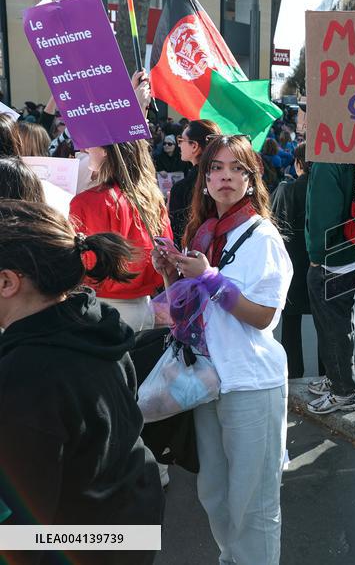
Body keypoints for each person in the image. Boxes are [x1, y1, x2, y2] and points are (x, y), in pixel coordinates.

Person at [152, 135, 291, 564]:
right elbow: (188, 313)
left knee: (254, 501)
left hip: (251, 381)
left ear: (252, 179)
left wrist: (210, 278)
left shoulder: (262, 236)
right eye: (215, 167)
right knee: (214, 491)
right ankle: (230, 558)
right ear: (205, 177)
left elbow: (263, 315)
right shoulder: (203, 233)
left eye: (236, 168)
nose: (225, 176)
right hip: (207, 378)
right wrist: (169, 275)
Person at [0, 200, 164, 565]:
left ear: (8, 282)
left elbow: (25, 528)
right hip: (131, 522)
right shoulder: (93, 321)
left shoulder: (26, 377)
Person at [70, 140, 172, 332]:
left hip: (98, 311)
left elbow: (77, 263)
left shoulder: (84, 202)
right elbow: (165, 256)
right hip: (143, 309)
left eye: (92, 143)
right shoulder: (153, 197)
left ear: (107, 151)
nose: (86, 148)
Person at [303, 162, 355, 414]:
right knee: (342, 324)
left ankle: (343, 391)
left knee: (332, 327)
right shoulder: (353, 155)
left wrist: (316, 256)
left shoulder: (326, 162)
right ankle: (338, 379)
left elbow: (323, 217)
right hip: (352, 252)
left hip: (332, 260)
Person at [271, 143, 312, 378]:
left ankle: (293, 372)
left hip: (291, 262)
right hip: (320, 263)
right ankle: (327, 376)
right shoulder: (324, 190)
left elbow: (274, 223)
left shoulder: (287, 190)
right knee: (324, 323)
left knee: (291, 322)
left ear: (298, 163)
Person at [169, 119, 222, 237]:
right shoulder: (224, 180)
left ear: (194, 146)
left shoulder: (181, 188)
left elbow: (178, 235)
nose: (179, 145)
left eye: (182, 140)